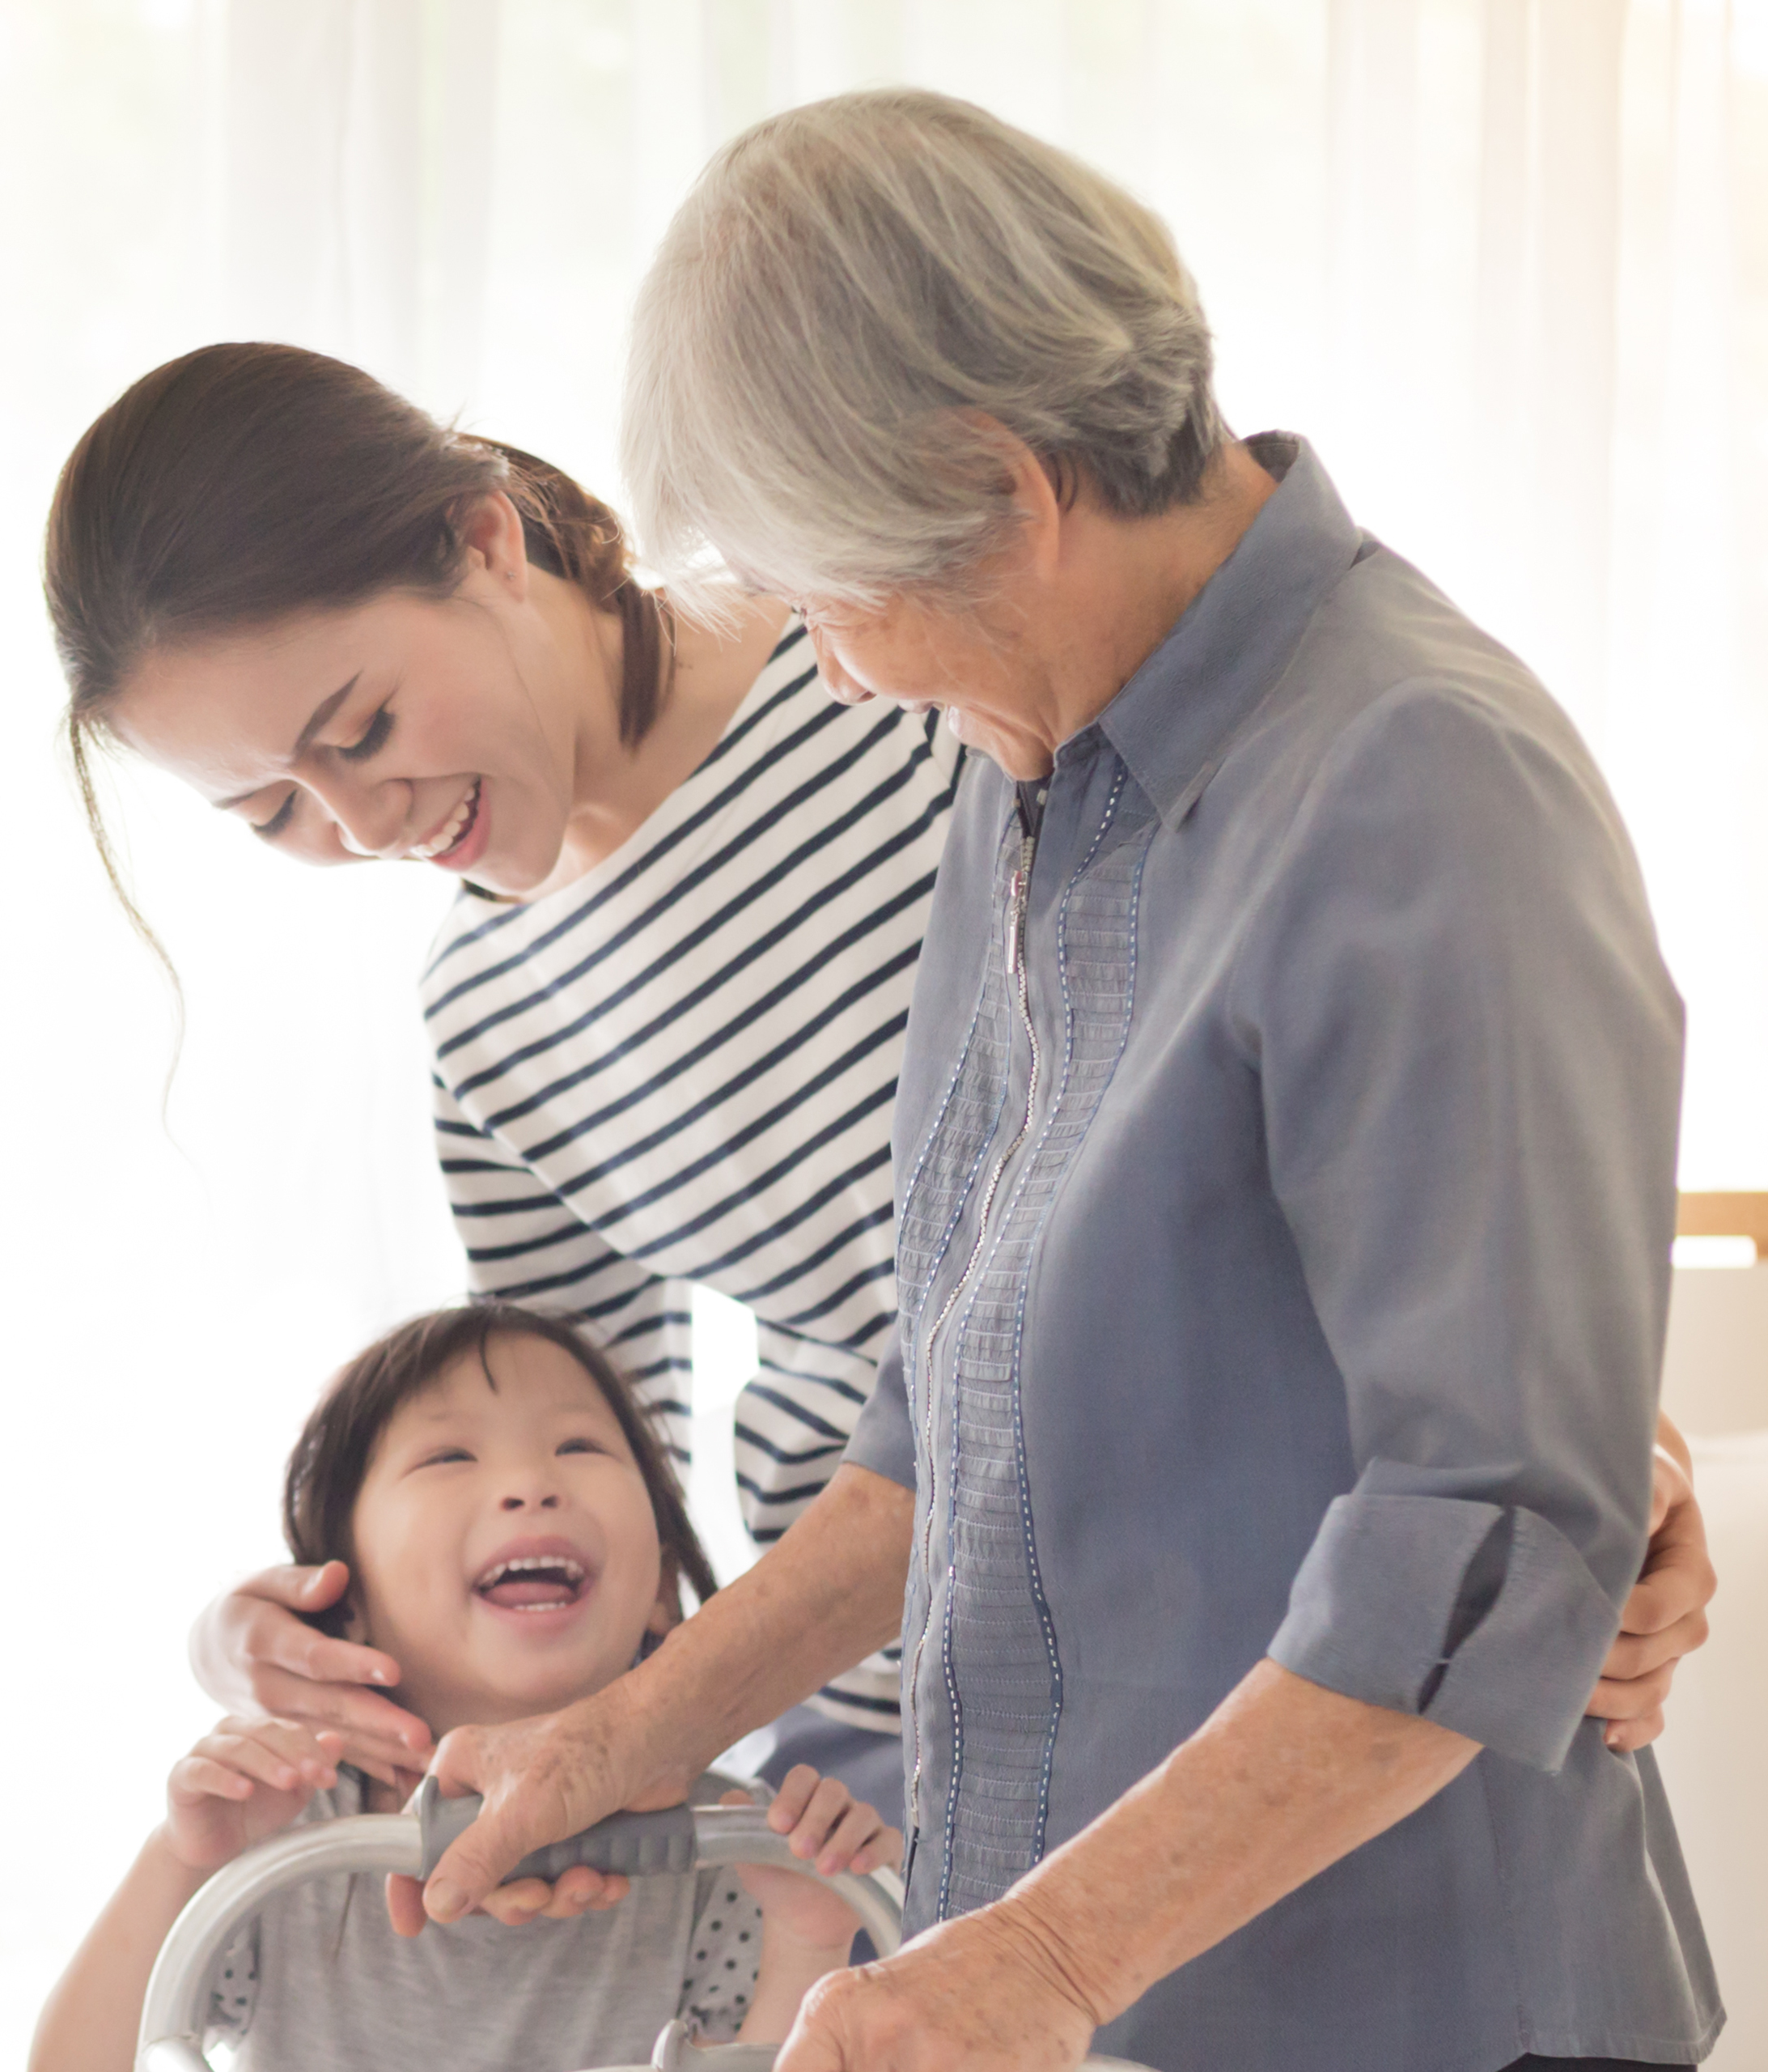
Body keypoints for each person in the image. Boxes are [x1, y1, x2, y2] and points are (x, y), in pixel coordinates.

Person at [398, 91, 1724, 2072]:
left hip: (1405, 2009)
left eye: (836, 597)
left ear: (1001, 493)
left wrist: (1024, 1971)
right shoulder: (1024, 772)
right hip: (1104, 1984)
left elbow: (1487, 1530)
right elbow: (937, 1430)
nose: (837, 671)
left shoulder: (1420, 789)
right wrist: (614, 1737)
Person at [41, 337, 1708, 1867]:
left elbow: (1374, 1064)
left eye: (363, 725)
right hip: (881, 1745)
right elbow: (572, 1485)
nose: (364, 820)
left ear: (484, 539)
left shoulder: (888, 668)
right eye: (271, 809)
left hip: (1266, 1620)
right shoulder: (484, 1020)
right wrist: (275, 1642)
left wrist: (1571, 1446)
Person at [28, 1303, 899, 2072]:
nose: (530, 1485)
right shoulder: (286, 1831)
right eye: (448, 1456)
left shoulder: (731, 1850)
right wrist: (185, 1859)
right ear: (343, 1598)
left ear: (664, 1591)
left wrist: (809, 1936)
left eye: (579, 1445)